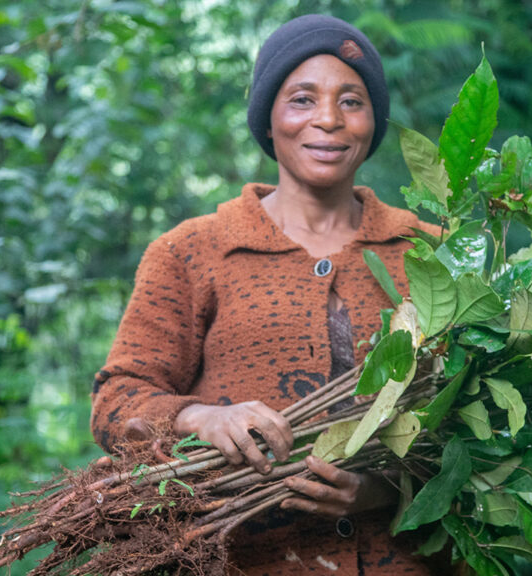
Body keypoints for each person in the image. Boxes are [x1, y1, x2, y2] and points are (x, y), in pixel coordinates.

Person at [90, 14, 439, 575]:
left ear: (373, 122)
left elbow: (482, 422)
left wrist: (383, 490)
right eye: (302, 99)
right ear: (268, 118)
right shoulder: (193, 252)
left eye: (352, 101)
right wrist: (199, 417)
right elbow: (116, 404)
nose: (328, 119)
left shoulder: (429, 253)